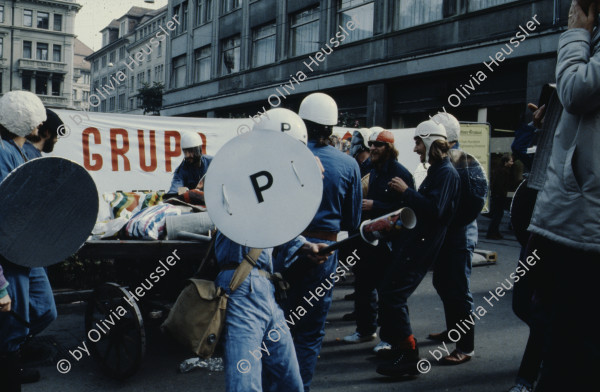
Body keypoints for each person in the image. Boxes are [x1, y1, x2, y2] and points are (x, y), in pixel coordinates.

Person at [526, 1, 600, 390]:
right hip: (576, 221)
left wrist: (576, 35)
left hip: (583, 227)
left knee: (568, 345)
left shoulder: (586, 38)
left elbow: (576, 91)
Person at [282, 92, 361, 391]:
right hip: (325, 251)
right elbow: (352, 222)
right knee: (310, 331)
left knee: (280, 324)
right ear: (332, 127)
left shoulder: (287, 158)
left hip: (284, 247)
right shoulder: (347, 164)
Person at [376, 119, 460, 377]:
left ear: (430, 142)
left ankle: (409, 356)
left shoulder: (446, 173)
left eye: (417, 142)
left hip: (422, 247)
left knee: (394, 294)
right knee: (390, 291)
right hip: (416, 243)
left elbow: (436, 211)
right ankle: (400, 348)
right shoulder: (439, 171)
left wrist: (406, 192)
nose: (415, 149)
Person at [215, 232, 330, 392]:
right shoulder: (233, 211)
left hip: (264, 286)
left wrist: (306, 246)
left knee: (289, 380)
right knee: (245, 383)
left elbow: (274, 226)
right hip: (242, 285)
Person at [342, 129, 414, 356]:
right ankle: (365, 329)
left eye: (378, 145)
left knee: (387, 291)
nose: (373, 148)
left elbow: (408, 211)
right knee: (363, 285)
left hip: (390, 243)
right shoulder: (369, 168)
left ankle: (390, 338)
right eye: (371, 144)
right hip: (366, 238)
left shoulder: (400, 173)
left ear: (389, 149)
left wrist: (376, 206)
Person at [0, 90, 52, 392]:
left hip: (29, 250)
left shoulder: (22, 151)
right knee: (13, 322)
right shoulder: (2, 152)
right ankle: (10, 368)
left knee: (45, 309)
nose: (41, 123)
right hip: (10, 252)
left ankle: (14, 351)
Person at [427, 112, 482, 364]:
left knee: (458, 289)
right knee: (443, 282)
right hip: (448, 234)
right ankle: (454, 330)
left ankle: (466, 347)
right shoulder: (447, 160)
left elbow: (470, 202)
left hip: (460, 234)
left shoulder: (463, 163)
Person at [486, 154, 513, 239]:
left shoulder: (501, 170)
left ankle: (495, 232)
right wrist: (500, 195)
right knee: (497, 215)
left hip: (498, 195)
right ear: (506, 162)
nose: (512, 163)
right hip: (499, 196)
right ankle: (492, 233)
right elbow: (499, 185)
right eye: (511, 161)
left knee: (498, 214)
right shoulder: (503, 171)